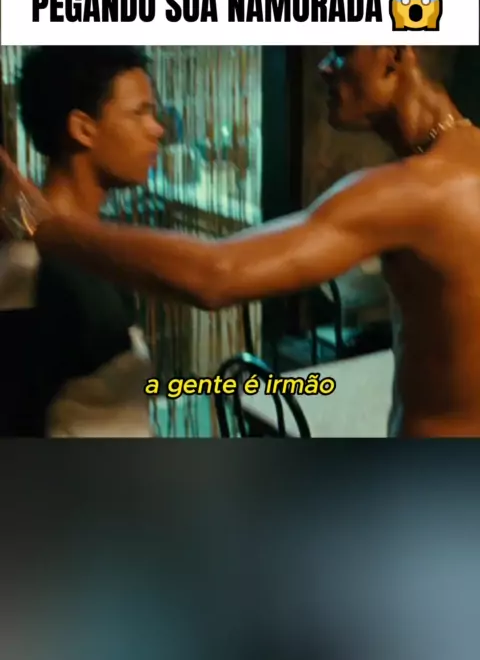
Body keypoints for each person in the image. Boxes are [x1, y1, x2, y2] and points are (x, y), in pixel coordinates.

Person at [2, 44, 480, 438]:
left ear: (393, 55)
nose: (323, 65)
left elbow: (216, 273)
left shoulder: (412, 191)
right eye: (140, 112)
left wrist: (42, 225)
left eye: (341, 50)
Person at [0, 46, 164, 436]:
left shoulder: (94, 247)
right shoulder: (29, 265)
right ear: (83, 129)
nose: (157, 129)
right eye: (139, 113)